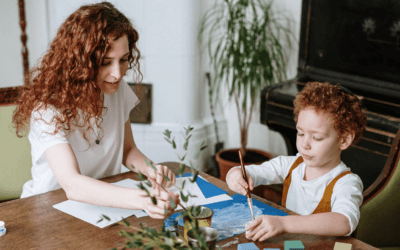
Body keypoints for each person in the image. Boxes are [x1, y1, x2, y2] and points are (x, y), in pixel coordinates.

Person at [12, 2, 179, 219]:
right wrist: (143, 200)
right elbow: (72, 184)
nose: (117, 74)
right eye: (105, 62)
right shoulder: (48, 107)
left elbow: (127, 149)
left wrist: (150, 169)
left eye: (124, 60)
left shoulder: (116, 90)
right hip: (48, 211)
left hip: (102, 205)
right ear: (80, 62)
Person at [226, 81, 367, 241]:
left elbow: (344, 222)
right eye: (300, 134)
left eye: (317, 137)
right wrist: (235, 174)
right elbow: (252, 172)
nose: (304, 144)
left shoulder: (347, 182)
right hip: (294, 244)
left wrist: (284, 224)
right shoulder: (291, 165)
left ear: (344, 140)